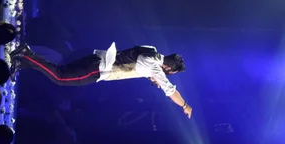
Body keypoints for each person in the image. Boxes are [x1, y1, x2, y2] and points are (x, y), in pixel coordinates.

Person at [10, 43, 193, 118]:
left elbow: (141, 64)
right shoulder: (154, 65)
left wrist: (153, 77)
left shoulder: (151, 50)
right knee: (60, 77)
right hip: (98, 70)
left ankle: (23, 63)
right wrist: (185, 105)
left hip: (97, 59)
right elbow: (170, 91)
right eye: (169, 73)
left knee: (62, 72)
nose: (167, 75)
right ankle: (26, 54)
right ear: (168, 68)